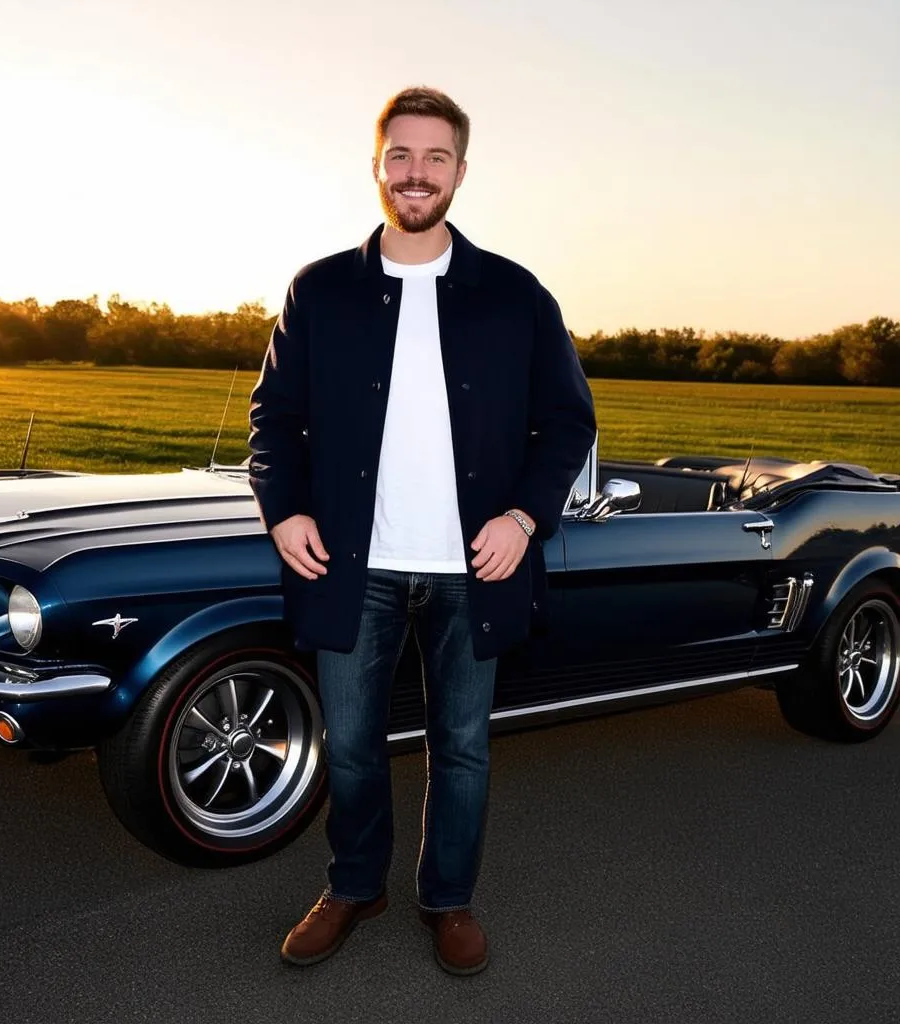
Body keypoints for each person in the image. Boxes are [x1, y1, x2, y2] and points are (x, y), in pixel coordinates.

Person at [248, 86, 596, 975]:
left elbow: (567, 423)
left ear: (461, 172)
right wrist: (283, 509)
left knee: (464, 748)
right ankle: (353, 886)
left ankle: (448, 900)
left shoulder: (515, 295)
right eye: (400, 156)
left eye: (435, 158)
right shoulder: (320, 290)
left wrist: (524, 517)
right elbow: (273, 419)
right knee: (355, 747)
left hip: (473, 567)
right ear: (377, 166)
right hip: (350, 566)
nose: (416, 173)